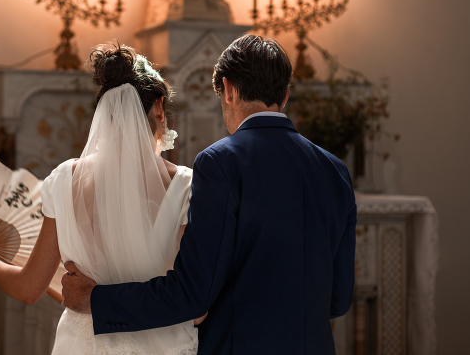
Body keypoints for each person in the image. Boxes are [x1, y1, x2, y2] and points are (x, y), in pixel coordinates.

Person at [62, 35, 357, 354]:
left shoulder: (220, 163)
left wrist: (96, 300)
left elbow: (193, 295)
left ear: (228, 89)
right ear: (284, 96)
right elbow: (339, 299)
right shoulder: (335, 170)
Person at [0, 44, 202, 354]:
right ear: (159, 107)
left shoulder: (65, 179)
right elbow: (193, 301)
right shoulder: (186, 186)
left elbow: (29, 289)